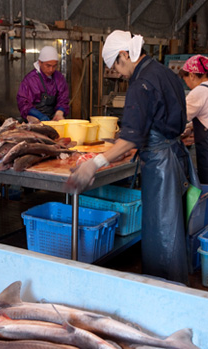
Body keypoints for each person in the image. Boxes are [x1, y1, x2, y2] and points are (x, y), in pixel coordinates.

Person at [66, 30, 200, 285]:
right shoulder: (164, 73)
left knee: (162, 236)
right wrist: (139, 143)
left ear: (124, 54)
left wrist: (94, 163)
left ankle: (162, 291)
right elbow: (165, 121)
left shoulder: (141, 84)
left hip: (161, 165)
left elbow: (129, 138)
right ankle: (176, 286)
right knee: (173, 232)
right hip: (174, 156)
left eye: (117, 67)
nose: (120, 74)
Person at [16, 46, 69, 122]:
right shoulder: (30, 80)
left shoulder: (59, 77)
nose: (51, 69)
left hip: (54, 120)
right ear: (40, 62)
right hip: (35, 120)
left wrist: (59, 112)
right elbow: (23, 103)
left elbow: (63, 99)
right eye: (48, 66)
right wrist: (39, 116)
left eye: (54, 66)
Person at [179, 55, 208, 184]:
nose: (187, 84)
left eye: (185, 80)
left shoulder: (199, 92)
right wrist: (191, 127)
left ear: (191, 75)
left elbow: (178, 117)